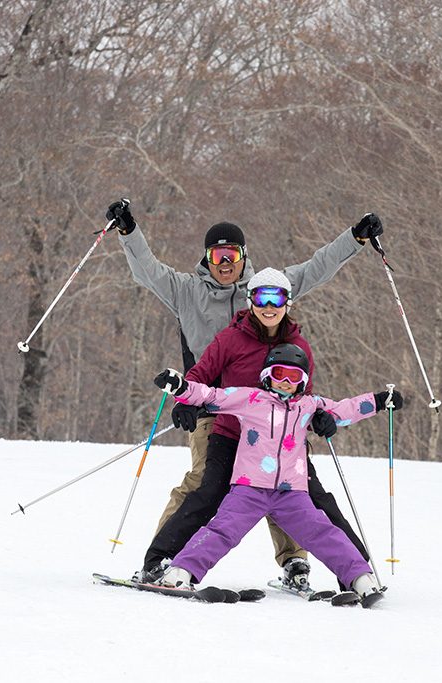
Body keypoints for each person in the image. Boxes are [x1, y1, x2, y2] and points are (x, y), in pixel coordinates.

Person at [107, 199, 383, 589]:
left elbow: (317, 267)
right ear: (207, 257)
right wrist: (128, 231)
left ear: (243, 256)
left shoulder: (266, 290)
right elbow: (147, 271)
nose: (225, 262)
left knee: (288, 482)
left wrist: (355, 238)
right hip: (213, 409)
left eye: (231, 254)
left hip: (279, 414)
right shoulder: (186, 291)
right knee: (205, 484)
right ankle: (162, 559)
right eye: (217, 254)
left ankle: (297, 562)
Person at [137, 268, 400, 592]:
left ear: (288, 303)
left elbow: (310, 399)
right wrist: (185, 397)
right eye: (263, 297)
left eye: (278, 298)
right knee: (209, 492)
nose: (270, 306)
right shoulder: (230, 338)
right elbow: (203, 378)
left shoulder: (298, 344)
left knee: (317, 503)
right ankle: (161, 562)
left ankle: (358, 575)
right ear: (251, 300)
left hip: (284, 444)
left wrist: (323, 419)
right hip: (231, 433)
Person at [149, 346, 399, 608]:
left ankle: (361, 579)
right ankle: (180, 573)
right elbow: (212, 395)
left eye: (294, 377)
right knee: (221, 532)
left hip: (292, 494)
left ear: (303, 381)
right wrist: (180, 387)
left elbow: (344, 410)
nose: (286, 382)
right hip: (249, 489)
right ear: (268, 374)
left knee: (324, 533)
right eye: (280, 374)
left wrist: (380, 401)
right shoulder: (251, 399)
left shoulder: (309, 406)